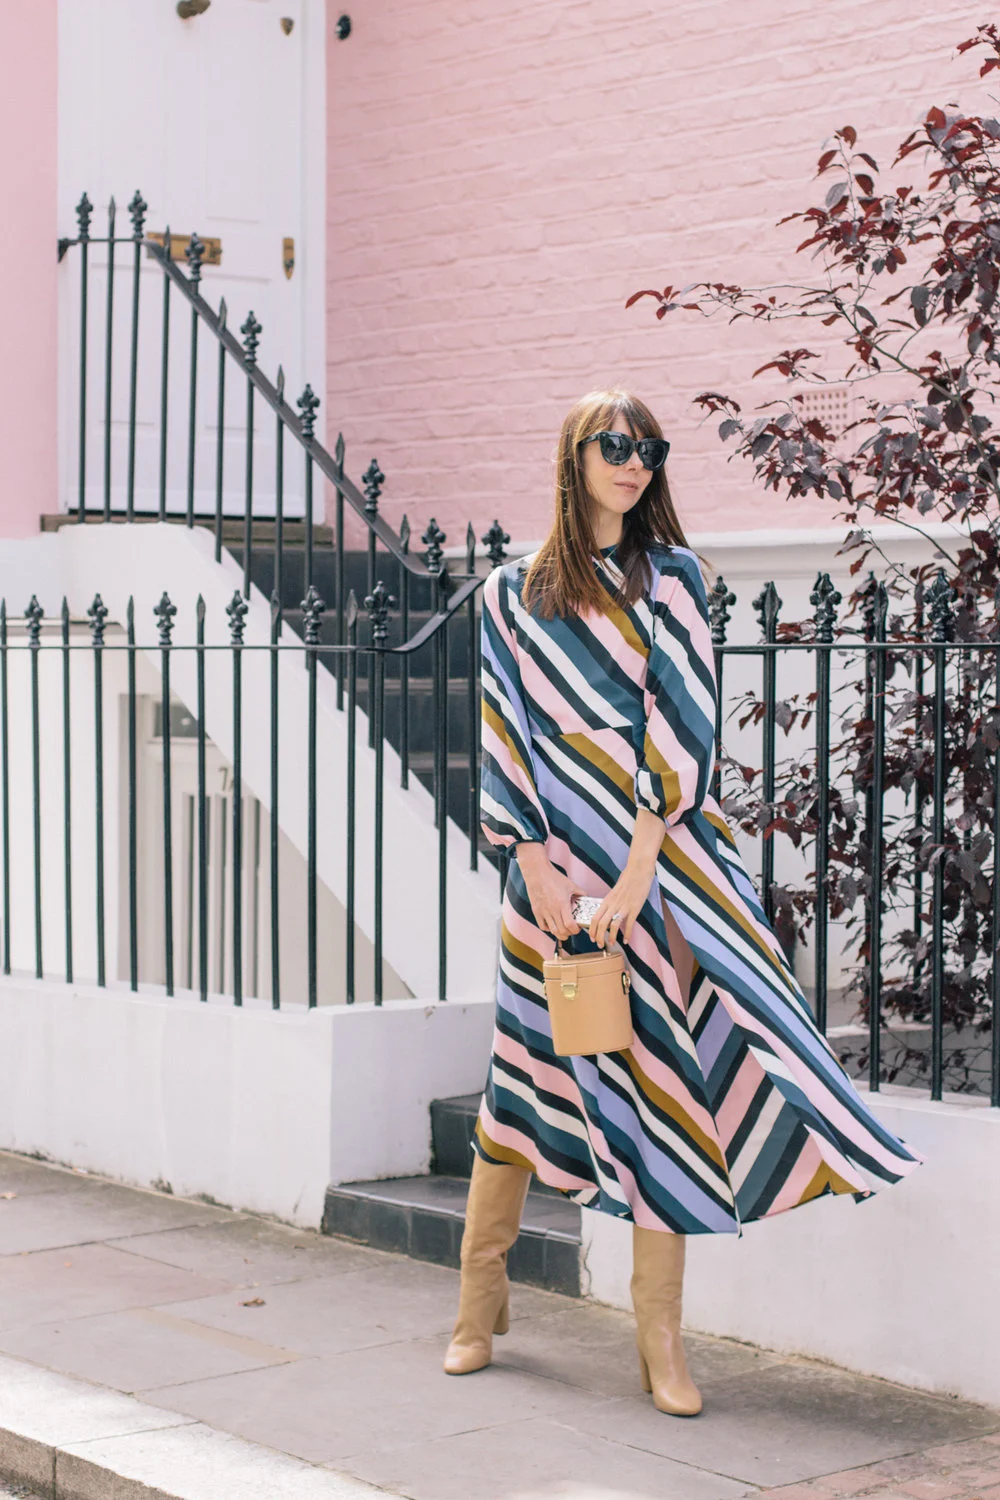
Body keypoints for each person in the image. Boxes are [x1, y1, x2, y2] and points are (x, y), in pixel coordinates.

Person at [443, 389, 922, 1414]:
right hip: (548, 867)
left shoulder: (674, 579)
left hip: (651, 867)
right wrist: (530, 860)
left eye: (648, 449)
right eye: (615, 446)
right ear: (573, 455)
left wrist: (633, 873)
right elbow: (503, 724)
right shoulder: (506, 593)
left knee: (662, 1080)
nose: (634, 463)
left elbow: (682, 727)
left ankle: (658, 1338)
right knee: (522, 1075)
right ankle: (477, 1299)